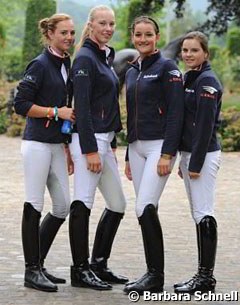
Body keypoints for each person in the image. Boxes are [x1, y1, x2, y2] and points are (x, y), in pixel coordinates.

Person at [14, 14, 75, 292]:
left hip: (57, 145)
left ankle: (37, 262)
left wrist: (67, 145)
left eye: (72, 33)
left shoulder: (66, 63)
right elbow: (21, 104)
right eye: (63, 33)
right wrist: (54, 112)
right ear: (50, 34)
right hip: (37, 144)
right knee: (34, 203)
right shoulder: (39, 64)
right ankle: (31, 271)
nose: (69, 38)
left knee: (63, 206)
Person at [123, 16, 184, 295]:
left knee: (144, 206)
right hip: (136, 147)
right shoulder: (132, 69)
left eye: (148, 34)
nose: (143, 39)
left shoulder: (168, 67)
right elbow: (131, 115)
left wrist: (168, 153)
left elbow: (176, 113)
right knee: (146, 209)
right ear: (133, 37)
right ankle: (152, 273)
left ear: (157, 37)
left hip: (159, 146)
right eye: (138, 35)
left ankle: (155, 277)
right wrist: (127, 154)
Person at [69, 5, 128, 290]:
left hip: (105, 141)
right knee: (83, 201)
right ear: (91, 25)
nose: (108, 28)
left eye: (111, 24)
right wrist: (91, 149)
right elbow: (82, 105)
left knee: (117, 204)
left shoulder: (105, 56)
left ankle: (98, 264)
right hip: (87, 141)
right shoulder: (84, 58)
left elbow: (108, 104)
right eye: (102, 23)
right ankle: (79, 270)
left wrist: (112, 142)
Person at [173, 31, 222, 294]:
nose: (188, 54)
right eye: (185, 50)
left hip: (202, 155)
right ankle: (202, 276)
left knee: (204, 212)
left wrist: (195, 164)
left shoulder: (207, 81)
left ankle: (205, 279)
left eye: (194, 50)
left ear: (206, 53)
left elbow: (204, 128)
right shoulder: (189, 77)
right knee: (197, 213)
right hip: (189, 154)